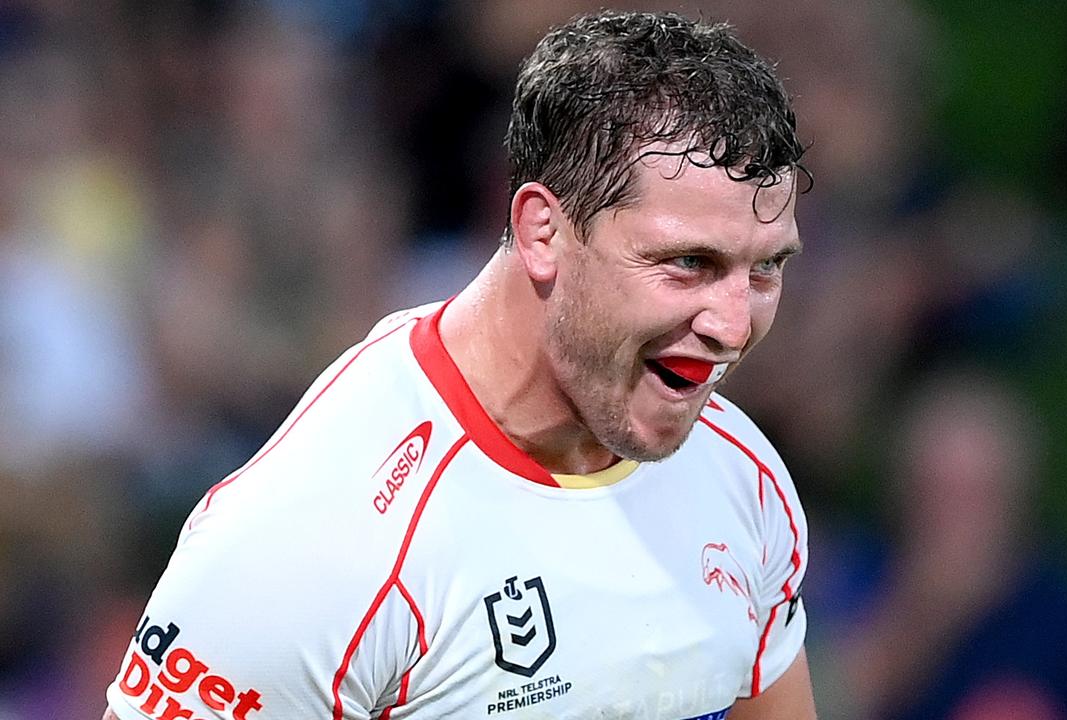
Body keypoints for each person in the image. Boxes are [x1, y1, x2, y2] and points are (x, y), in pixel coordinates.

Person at [103, 10, 814, 720]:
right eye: (689, 262)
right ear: (543, 231)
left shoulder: (743, 478)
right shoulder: (316, 537)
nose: (732, 324)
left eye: (766, 269)